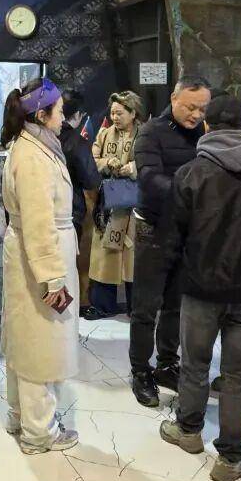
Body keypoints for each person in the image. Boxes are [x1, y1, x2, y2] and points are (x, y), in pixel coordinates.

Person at [157, 95, 241, 481]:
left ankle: (188, 431)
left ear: (207, 126)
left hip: (200, 289)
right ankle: (231, 457)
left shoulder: (191, 173)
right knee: (238, 375)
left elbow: (172, 238)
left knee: (194, 365)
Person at [0, 78, 80, 455]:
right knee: (39, 344)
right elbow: (38, 222)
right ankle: (39, 432)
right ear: (42, 114)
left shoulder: (33, 145)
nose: (64, 118)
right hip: (42, 256)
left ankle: (22, 416)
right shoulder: (32, 156)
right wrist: (52, 278)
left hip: (32, 252)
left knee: (27, 337)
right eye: (59, 112)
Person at [130, 76, 211, 407]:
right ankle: (140, 371)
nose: (196, 114)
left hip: (188, 231)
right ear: (174, 99)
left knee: (177, 305)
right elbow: (150, 179)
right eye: (191, 107)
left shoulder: (205, 134)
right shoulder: (151, 132)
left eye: (202, 109)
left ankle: (167, 364)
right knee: (146, 307)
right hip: (154, 229)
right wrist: (192, 195)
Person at [84, 91, 144, 320]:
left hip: (135, 205)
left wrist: (133, 168)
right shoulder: (104, 134)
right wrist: (107, 162)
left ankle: (136, 309)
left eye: (120, 113)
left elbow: (153, 161)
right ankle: (102, 306)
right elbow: (92, 161)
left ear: (133, 113)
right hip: (109, 204)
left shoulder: (145, 134)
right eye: (112, 113)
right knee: (104, 257)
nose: (115, 117)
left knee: (134, 259)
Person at [58, 88, 101, 238]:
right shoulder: (78, 143)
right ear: (78, 115)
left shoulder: (44, 136)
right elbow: (91, 180)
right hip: (69, 213)